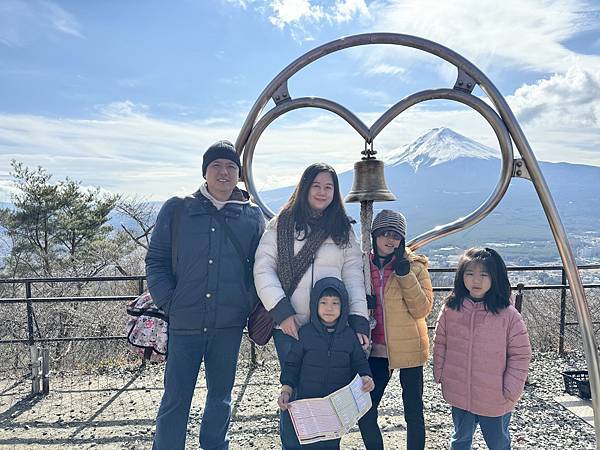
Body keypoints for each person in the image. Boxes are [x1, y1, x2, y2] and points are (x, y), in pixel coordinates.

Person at [145, 140, 265, 450]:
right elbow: (156, 260)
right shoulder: (179, 208)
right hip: (184, 322)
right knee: (175, 398)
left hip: (228, 323)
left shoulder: (251, 217)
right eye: (217, 166)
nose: (224, 172)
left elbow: (262, 266)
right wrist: (170, 302)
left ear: (238, 174)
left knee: (221, 398)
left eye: (230, 167)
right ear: (205, 172)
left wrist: (245, 303)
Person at [253, 162, 369, 449]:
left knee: (332, 395)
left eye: (328, 187)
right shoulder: (281, 224)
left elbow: (354, 276)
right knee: (293, 393)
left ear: (335, 191)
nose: (322, 192)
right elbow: (263, 268)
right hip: (291, 327)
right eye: (316, 185)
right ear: (304, 188)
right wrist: (282, 312)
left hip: (333, 328)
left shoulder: (343, 229)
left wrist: (358, 321)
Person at [433, 247, 532, 450]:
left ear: (495, 277)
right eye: (469, 274)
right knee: (459, 440)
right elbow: (440, 341)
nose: (476, 281)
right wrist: (440, 372)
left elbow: (520, 355)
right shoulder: (451, 309)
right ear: (461, 277)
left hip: (495, 395)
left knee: (498, 443)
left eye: (483, 275)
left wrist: (511, 388)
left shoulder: (508, 315)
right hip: (459, 391)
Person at [358, 209, 433, 450]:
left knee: (413, 412)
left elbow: (422, 309)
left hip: (409, 347)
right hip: (376, 349)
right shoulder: (361, 266)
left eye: (396, 235)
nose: (390, 240)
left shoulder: (415, 267)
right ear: (374, 235)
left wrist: (405, 276)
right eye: (384, 234)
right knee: (365, 410)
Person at [277, 277, 375, 449]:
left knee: (331, 444)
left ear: (343, 306)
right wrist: (287, 389)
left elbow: (360, 363)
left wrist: (366, 377)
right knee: (309, 443)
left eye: (335, 303)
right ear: (315, 304)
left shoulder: (349, 336)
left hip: (335, 407)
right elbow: (292, 365)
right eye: (323, 302)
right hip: (309, 404)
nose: (329, 308)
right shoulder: (305, 334)